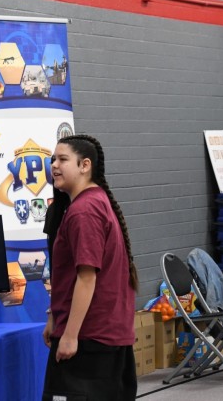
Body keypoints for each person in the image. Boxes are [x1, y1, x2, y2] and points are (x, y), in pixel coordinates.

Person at [42, 134, 139, 401]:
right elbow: (69, 277)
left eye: (63, 159)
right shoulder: (95, 202)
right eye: (53, 160)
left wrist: (71, 335)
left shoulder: (85, 211)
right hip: (104, 335)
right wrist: (55, 315)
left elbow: (86, 279)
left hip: (89, 339)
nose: (54, 166)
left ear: (85, 165)